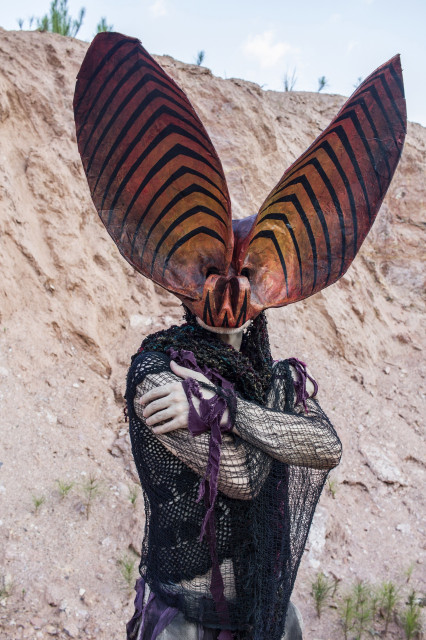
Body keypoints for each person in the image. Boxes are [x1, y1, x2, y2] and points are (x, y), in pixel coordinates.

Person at [73, 32, 406, 640]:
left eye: (245, 271)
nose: (229, 289)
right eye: (213, 270)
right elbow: (245, 477)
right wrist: (249, 418)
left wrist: (221, 408)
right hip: (186, 615)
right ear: (182, 272)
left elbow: (325, 445)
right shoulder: (157, 371)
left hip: (261, 607)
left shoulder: (267, 377)